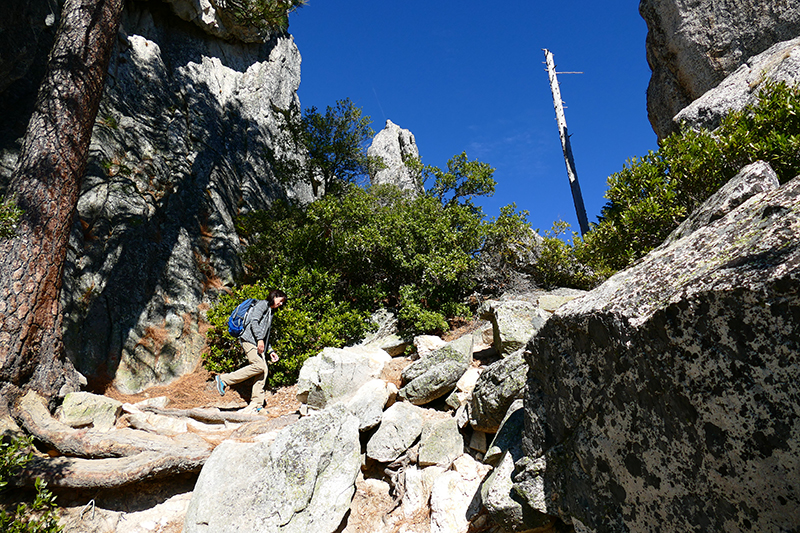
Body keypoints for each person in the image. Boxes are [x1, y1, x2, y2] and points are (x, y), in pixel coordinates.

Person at [214, 289, 287, 414]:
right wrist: (259, 340)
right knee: (259, 366)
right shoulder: (263, 304)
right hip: (249, 340)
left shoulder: (270, 312)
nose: (280, 304)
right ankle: (224, 379)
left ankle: (257, 404)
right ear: (274, 296)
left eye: (282, 303)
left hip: (258, 343)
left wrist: (270, 351)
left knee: (263, 370)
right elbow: (254, 322)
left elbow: (265, 335)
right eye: (280, 301)